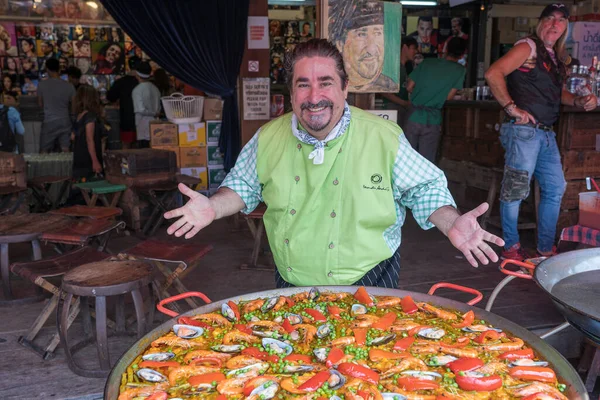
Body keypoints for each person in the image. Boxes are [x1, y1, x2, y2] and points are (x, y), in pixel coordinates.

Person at [164, 39, 504, 288]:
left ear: (344, 88)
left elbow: (424, 188)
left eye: (325, 83)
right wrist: (212, 207)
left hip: (371, 278)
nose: (314, 97)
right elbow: (242, 187)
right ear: (292, 92)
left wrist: (451, 221)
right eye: (303, 85)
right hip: (291, 279)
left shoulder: (383, 136)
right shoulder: (269, 137)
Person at [485, 4, 597, 260]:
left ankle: (545, 249)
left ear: (564, 28)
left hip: (546, 133)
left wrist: (579, 101)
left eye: (560, 21)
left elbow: (557, 96)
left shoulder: (556, 57)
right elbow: (493, 73)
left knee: (556, 187)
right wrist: (511, 108)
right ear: (540, 23)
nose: (554, 25)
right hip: (524, 131)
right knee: (515, 190)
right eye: (549, 19)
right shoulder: (529, 46)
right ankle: (511, 248)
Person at [404, 37, 467, 163]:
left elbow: (409, 87)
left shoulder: (427, 63)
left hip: (413, 116)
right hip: (432, 120)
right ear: (462, 54)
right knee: (426, 163)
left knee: (406, 159)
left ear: (446, 49)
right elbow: (448, 97)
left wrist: (422, 93)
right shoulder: (460, 70)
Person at [330, 0, 396, 92]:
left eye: (378, 33)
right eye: (361, 34)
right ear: (340, 43)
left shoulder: (388, 85)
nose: (371, 49)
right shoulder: (330, 85)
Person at [37, 57, 76, 153]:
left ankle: (44, 168)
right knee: (65, 149)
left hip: (49, 121)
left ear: (47, 69)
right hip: (65, 121)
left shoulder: (42, 85)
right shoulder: (69, 86)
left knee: (44, 150)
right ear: (59, 68)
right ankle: (67, 168)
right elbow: (74, 106)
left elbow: (40, 104)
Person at [380, 36, 418, 127]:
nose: (416, 52)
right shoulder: (393, 67)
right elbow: (384, 92)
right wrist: (404, 103)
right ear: (405, 47)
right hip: (392, 108)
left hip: (402, 108)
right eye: (414, 48)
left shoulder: (406, 68)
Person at [71, 84, 104, 180]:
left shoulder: (79, 116)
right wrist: (95, 161)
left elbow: (72, 136)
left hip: (79, 155)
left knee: (80, 186)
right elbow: (90, 139)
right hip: (89, 157)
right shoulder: (90, 116)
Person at [107, 58, 139, 149]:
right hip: (143, 119)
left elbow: (110, 97)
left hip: (126, 118)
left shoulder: (121, 82)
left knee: (126, 145)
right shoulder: (143, 83)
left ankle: (126, 163)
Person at [131, 61, 160, 148]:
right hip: (155, 123)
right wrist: (155, 113)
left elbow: (140, 109)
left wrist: (153, 113)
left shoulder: (137, 90)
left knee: (144, 151)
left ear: (137, 74)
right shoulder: (155, 88)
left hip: (143, 125)